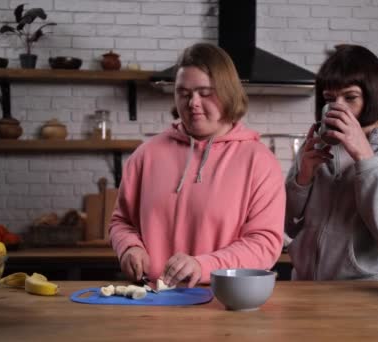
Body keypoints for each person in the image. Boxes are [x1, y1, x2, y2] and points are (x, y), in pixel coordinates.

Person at [109, 43, 285, 288]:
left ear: (227, 93)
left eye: (205, 93)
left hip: (224, 300)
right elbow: (121, 222)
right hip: (151, 302)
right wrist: (129, 247)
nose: (193, 103)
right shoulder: (145, 155)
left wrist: (204, 266)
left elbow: (264, 244)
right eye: (184, 93)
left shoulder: (259, 161)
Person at [285, 44, 378, 281]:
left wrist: (365, 158)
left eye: (350, 97)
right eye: (329, 99)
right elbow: (288, 227)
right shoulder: (321, 140)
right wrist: (302, 178)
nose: (338, 107)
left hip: (371, 296)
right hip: (307, 287)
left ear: (374, 93)